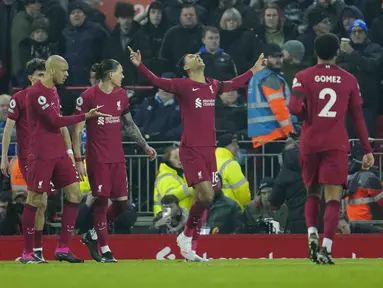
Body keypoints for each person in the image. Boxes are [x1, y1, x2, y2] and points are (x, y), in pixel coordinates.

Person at [129, 46, 266, 261]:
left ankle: (190, 245)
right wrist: (140, 65)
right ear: (186, 67)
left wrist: (254, 70)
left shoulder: (212, 85)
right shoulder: (183, 86)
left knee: (205, 200)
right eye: (192, 56)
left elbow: (233, 84)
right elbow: (157, 81)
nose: (197, 56)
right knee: (207, 195)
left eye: (197, 55)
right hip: (191, 150)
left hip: (209, 151)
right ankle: (186, 238)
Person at [288, 33, 374, 265]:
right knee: (333, 197)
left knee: (312, 192)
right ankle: (327, 247)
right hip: (336, 143)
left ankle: (312, 234)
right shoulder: (349, 80)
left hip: (310, 141)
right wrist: (367, 149)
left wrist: (309, 117)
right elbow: (358, 118)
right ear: (337, 52)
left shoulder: (302, 76)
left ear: (316, 52)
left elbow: (294, 107)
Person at [23, 55, 108, 264]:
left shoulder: (53, 91)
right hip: (41, 153)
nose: (67, 74)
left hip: (58, 152)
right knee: (35, 199)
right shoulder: (36, 93)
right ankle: (28, 252)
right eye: (64, 70)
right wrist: (85, 116)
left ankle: (62, 248)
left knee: (74, 192)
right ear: (52, 70)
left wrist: (69, 151)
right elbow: (55, 121)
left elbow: (59, 125)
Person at [72, 59, 156, 263]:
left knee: (122, 204)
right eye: (120, 72)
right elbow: (76, 129)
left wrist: (144, 146)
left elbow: (129, 124)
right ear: (110, 75)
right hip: (97, 158)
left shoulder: (121, 95)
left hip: (117, 157)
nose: (123, 76)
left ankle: (91, 234)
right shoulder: (88, 97)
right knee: (101, 201)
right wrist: (79, 159)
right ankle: (105, 249)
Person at [0, 58, 48, 261]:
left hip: (47, 157)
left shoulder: (50, 97)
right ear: (30, 78)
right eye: (39, 75)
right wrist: (3, 157)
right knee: (34, 200)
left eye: (45, 74)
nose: (43, 78)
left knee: (43, 203)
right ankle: (29, 250)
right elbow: (8, 129)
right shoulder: (19, 98)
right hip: (28, 157)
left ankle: (36, 251)